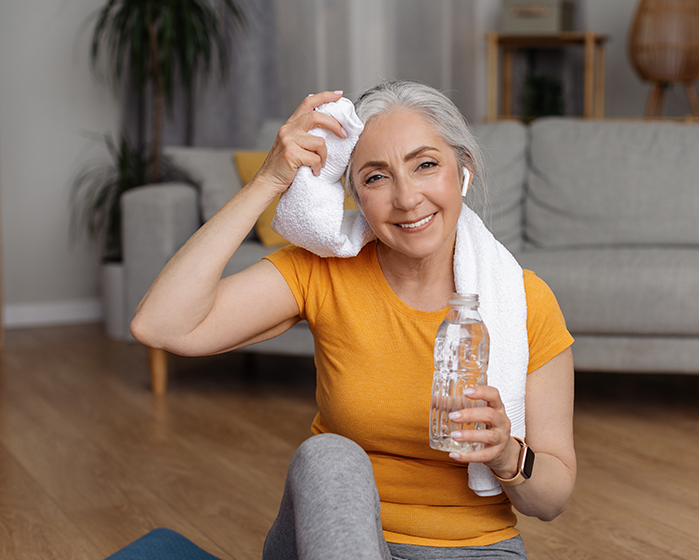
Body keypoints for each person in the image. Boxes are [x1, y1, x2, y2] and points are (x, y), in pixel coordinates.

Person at [131, 80, 576, 559]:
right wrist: (268, 181)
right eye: (376, 177)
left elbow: (551, 500)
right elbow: (160, 324)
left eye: (425, 165)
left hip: (470, 548)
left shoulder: (523, 302)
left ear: (462, 171)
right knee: (329, 457)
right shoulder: (323, 271)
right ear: (355, 196)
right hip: (333, 540)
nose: (406, 198)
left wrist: (507, 454)